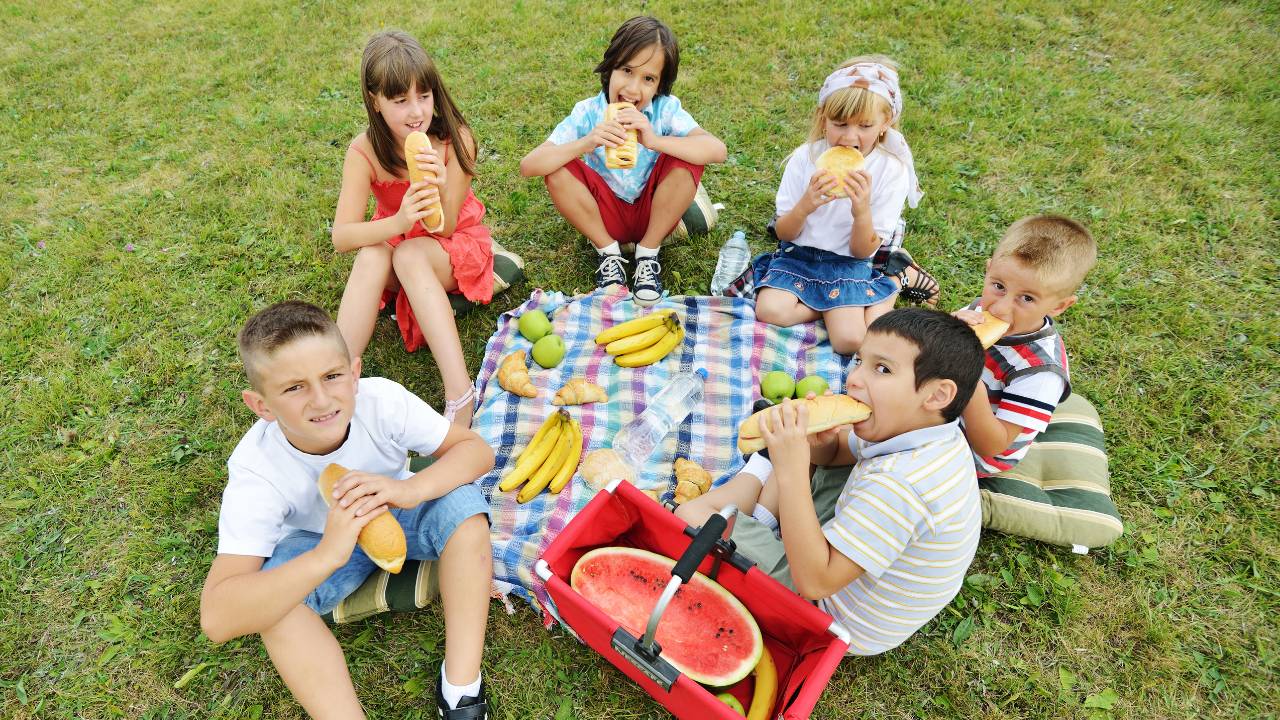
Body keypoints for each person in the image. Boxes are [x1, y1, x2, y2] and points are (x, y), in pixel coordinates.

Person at [199, 301, 495, 719]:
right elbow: (217, 616)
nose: (321, 400)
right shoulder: (256, 471)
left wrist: (409, 489)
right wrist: (327, 554)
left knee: (465, 509)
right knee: (275, 603)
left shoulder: (382, 400)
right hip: (316, 542)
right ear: (261, 405)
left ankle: (461, 688)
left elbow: (475, 450)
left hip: (394, 509)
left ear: (355, 374)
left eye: (332, 377)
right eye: (294, 387)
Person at [677, 309, 985, 655]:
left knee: (690, 514)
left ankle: (757, 479)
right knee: (813, 453)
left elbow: (814, 583)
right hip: (850, 563)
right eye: (859, 361)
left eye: (882, 369)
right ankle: (765, 508)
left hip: (828, 614)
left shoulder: (900, 486)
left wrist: (791, 468)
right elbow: (837, 454)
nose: (854, 379)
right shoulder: (923, 427)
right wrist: (819, 444)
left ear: (937, 395)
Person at [332, 29, 493, 426]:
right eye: (400, 101)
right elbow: (342, 237)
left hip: (450, 244)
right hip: (397, 234)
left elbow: (448, 225)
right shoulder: (364, 151)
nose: (416, 111)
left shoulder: (456, 140)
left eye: (423, 96)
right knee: (374, 254)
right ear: (375, 100)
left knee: (408, 253)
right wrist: (400, 221)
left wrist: (438, 190)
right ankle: (333, 381)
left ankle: (460, 395)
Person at [519, 15, 726, 306]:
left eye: (648, 79)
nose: (632, 88)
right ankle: (609, 255)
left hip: (654, 214)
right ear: (611, 66)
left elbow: (717, 150)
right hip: (604, 217)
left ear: (659, 86)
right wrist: (587, 141)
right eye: (627, 70)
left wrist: (654, 140)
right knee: (557, 169)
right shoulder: (588, 112)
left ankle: (647, 255)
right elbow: (529, 165)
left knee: (689, 157)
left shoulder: (665, 110)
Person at [753, 56, 928, 355]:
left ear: (885, 124)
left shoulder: (891, 171)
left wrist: (861, 211)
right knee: (769, 312)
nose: (849, 137)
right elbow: (784, 232)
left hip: (848, 261)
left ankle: (893, 279)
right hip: (799, 255)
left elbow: (863, 250)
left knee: (849, 341)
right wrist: (805, 205)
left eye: (865, 125)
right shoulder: (805, 159)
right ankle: (839, 302)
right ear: (823, 118)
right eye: (840, 124)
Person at [953, 214, 1098, 477]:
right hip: (945, 405)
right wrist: (948, 326)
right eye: (998, 286)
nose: (1000, 308)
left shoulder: (1040, 372)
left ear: (1059, 306)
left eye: (1027, 298)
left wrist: (968, 378)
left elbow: (991, 446)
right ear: (988, 270)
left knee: (871, 437)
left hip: (969, 452)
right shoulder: (979, 310)